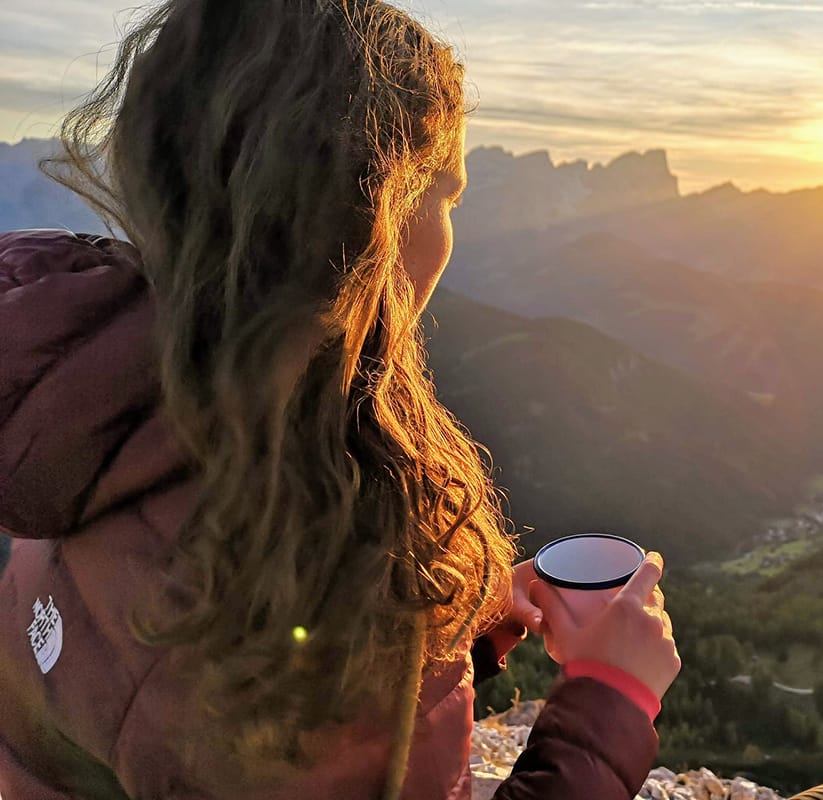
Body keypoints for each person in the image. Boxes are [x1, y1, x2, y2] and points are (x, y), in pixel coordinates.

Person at [0, 2, 679, 798]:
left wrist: (458, 632)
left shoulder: (88, 408)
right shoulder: (318, 546)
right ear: (376, 216)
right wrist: (610, 696)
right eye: (449, 195)